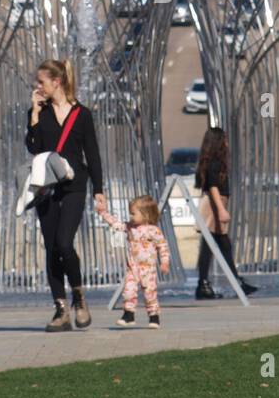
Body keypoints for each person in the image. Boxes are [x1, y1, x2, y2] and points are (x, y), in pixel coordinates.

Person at [25, 58, 106, 332]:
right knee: (50, 248)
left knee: (64, 243)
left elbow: (92, 154)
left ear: (56, 82)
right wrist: (34, 116)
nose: (38, 86)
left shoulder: (81, 114)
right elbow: (34, 149)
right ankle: (61, 309)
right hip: (47, 188)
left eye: (41, 82)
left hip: (74, 186)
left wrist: (99, 190)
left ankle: (79, 297)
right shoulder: (41, 112)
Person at [192, 127, 256, 298]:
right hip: (214, 204)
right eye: (224, 140)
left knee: (216, 245)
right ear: (218, 143)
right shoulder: (215, 163)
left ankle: (208, 284)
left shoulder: (211, 161)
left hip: (214, 203)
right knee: (214, 245)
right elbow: (213, 186)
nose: (227, 143)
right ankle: (209, 284)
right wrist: (221, 210)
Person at [99, 194, 170, 328]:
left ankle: (154, 317)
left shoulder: (154, 231)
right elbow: (115, 223)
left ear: (146, 214)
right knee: (129, 291)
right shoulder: (129, 227)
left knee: (149, 293)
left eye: (133, 214)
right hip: (133, 267)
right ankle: (128, 315)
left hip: (148, 269)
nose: (131, 217)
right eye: (130, 213)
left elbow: (163, 247)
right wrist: (103, 212)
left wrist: (164, 262)